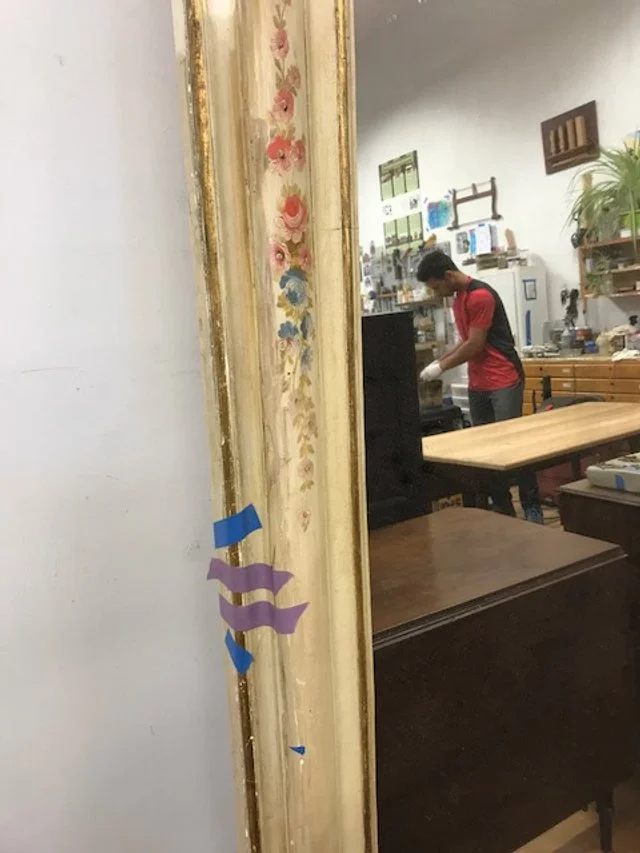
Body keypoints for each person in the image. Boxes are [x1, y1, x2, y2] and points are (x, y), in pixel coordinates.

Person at [417, 250, 543, 524]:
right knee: (487, 452)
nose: (437, 293)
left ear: (448, 276)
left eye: (437, 286)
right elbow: (465, 342)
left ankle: (532, 505)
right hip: (479, 382)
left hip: (503, 379)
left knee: (515, 445)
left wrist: (441, 368)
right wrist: (439, 360)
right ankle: (503, 509)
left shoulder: (480, 296)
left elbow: (476, 344)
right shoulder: (458, 300)